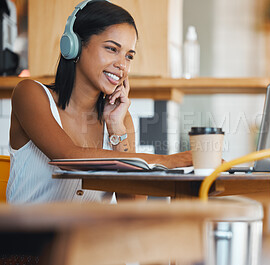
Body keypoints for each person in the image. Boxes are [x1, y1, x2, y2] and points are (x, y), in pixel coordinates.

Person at [7, 0, 192, 204]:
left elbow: (132, 204)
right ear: (74, 45)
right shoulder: (30, 94)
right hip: (29, 234)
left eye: (129, 56)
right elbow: (68, 157)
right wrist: (166, 160)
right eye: (112, 49)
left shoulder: (120, 119)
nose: (122, 65)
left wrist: (116, 129)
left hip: (89, 236)